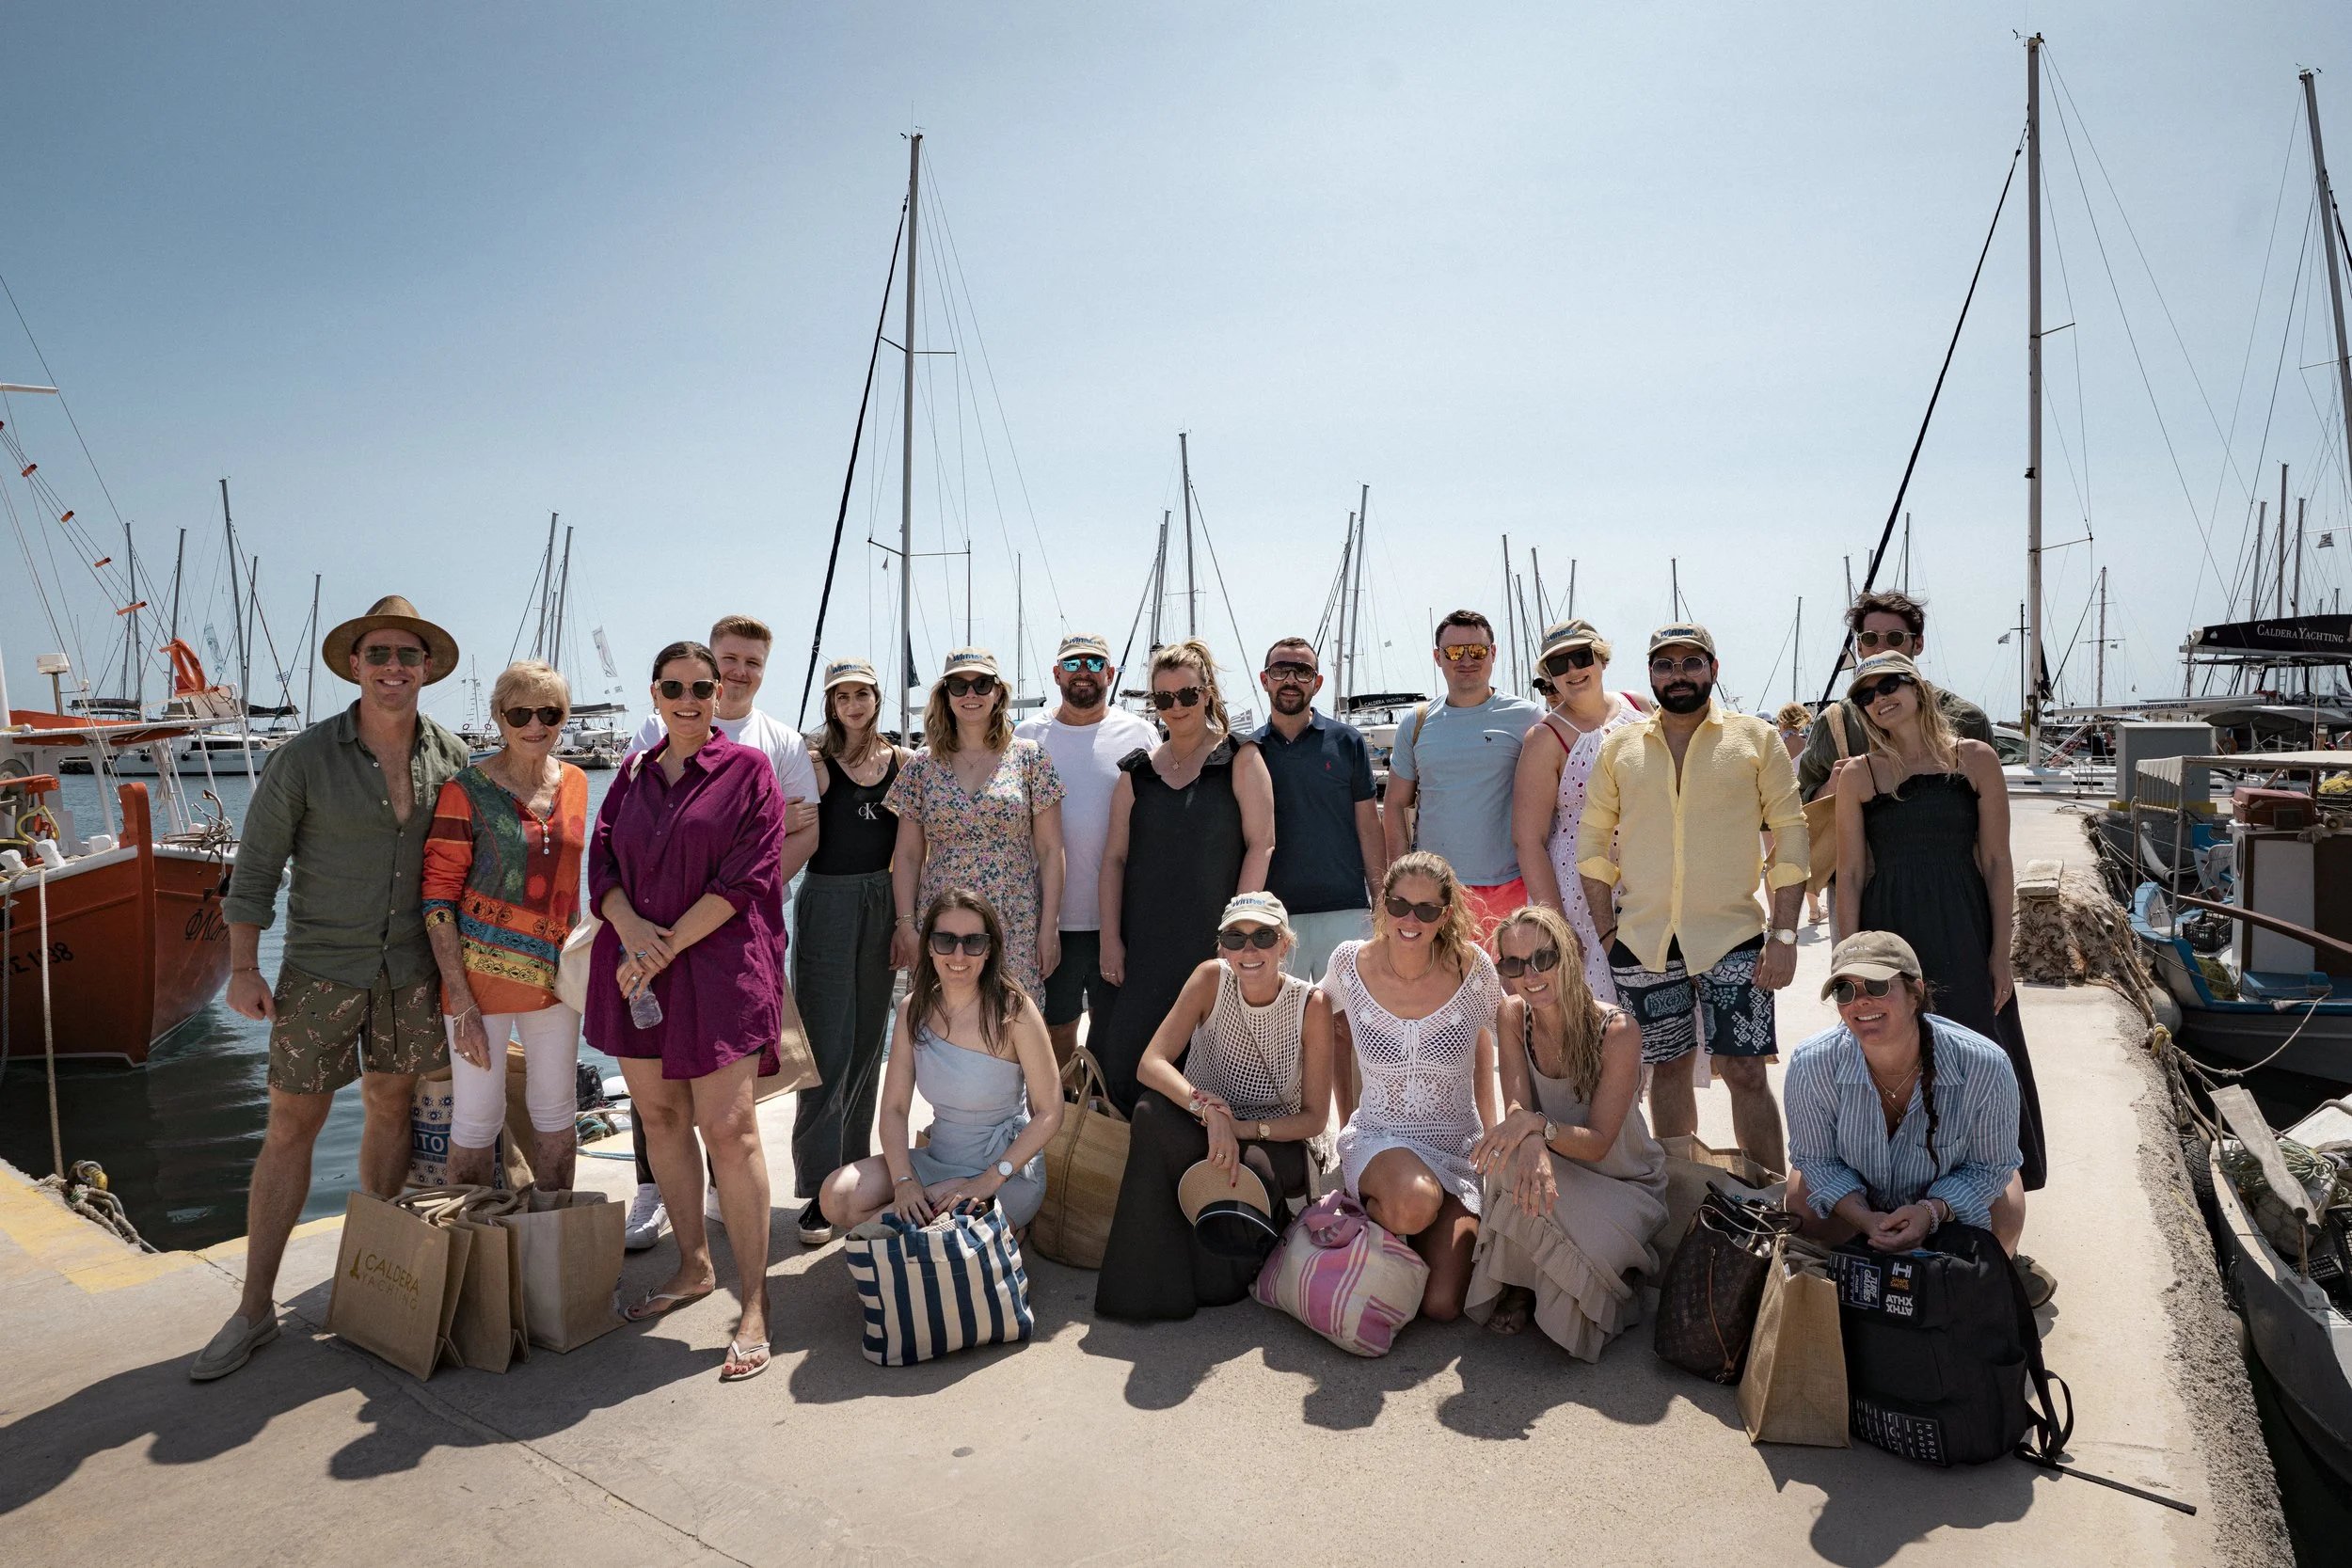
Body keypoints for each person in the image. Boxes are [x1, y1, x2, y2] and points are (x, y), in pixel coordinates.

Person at [197, 595, 471, 1382]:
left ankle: (373, 1283)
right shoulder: (305, 757)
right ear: (356, 664)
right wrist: (244, 967)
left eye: (407, 656)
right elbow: (255, 869)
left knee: (391, 1106)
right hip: (319, 969)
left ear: (426, 669)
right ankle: (254, 1307)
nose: (393, 668)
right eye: (379, 654)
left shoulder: (449, 756)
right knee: (291, 1125)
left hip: (410, 973)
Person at [591, 641, 787, 1383]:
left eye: (701, 686)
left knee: (729, 1132)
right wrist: (630, 929)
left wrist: (658, 945)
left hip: (716, 969)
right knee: (662, 1120)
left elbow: (748, 877)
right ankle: (693, 1265)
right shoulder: (634, 772)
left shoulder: (748, 771)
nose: (688, 697)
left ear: (716, 693)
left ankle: (756, 1302)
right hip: (641, 969)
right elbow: (602, 865)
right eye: (673, 686)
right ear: (654, 691)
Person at [1578, 623, 1806, 1174]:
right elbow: (1591, 843)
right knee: (1670, 1067)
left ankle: (1769, 1200)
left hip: (1735, 937)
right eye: (1664, 665)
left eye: (1690, 663)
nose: (1677, 675)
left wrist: (1783, 934)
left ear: (1713, 669)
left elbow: (1793, 837)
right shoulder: (1620, 746)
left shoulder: (1757, 740)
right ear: (1651, 674)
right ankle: (1684, 1199)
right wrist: (1608, 931)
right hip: (1643, 939)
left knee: (1747, 1070)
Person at [623, 613, 818, 1250]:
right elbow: (628, 830)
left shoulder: (778, 743)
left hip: (737, 934)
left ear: (764, 671)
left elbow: (803, 831)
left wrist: (752, 892)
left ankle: (716, 1181)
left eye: (751, 663)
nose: (737, 672)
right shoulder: (654, 730)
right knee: (652, 1068)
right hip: (657, 932)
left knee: (728, 1084)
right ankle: (651, 1187)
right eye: (727, 659)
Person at [1833, 652, 2046, 1195]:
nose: (1879, 698)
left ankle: (1993, 1190)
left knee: (1980, 1052)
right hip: (1890, 931)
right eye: (1865, 694)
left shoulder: (1975, 760)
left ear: (1918, 686)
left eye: (1889, 684)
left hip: (1963, 924)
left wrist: (2001, 954)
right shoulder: (1858, 776)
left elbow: (1998, 862)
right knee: (1893, 1056)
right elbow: (1851, 874)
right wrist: (1846, 963)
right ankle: (1902, 1186)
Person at [1095, 892, 1336, 1321]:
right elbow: (1151, 1064)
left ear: (1285, 944)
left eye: (1263, 936)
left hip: (1277, 1135)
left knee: (1253, 1170)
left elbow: (1314, 1118)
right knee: (1150, 1113)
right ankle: (1148, 1287)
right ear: (1222, 945)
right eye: (1235, 937)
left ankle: (1238, 1260)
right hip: (1206, 1120)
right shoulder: (1211, 977)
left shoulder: (1310, 1004)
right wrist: (1209, 1111)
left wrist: (1242, 1129)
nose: (1249, 950)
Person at [1785, 930, 2051, 1306]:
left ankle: (1987, 1267)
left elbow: (1992, 1165)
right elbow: (1816, 1159)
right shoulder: (1811, 1062)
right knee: (1800, 1201)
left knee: (2006, 1205)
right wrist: (1864, 1218)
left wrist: (1930, 1213)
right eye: (1844, 991)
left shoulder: (1985, 1063)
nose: (1860, 1002)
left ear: (1916, 993)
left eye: (1877, 986)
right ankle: (1866, 1269)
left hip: (1944, 1206)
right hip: (1859, 1204)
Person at [1464, 905, 1667, 1360]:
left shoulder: (1617, 1030)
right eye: (1513, 964)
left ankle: (1562, 1280)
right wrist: (1533, 1137)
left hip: (1620, 1181)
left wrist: (1537, 1127)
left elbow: (1597, 1144)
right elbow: (1518, 1106)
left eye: (1542, 958)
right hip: (1553, 1166)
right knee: (1507, 1157)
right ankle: (1526, 1283)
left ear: (1571, 955)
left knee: (1519, 1161)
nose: (1529, 974)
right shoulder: (1513, 1014)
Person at [420, 659, 590, 1191]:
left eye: (550, 712)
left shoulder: (579, 783)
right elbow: (437, 899)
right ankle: (471, 1250)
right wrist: (460, 999)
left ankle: (554, 1241)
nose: (535, 724)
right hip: (477, 987)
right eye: (520, 712)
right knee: (475, 1118)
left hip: (555, 982)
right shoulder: (463, 790)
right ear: (498, 716)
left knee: (558, 1110)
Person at [1321, 851, 1501, 1323]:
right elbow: (1325, 1029)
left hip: (1456, 1149)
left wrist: (1495, 1131)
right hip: (1382, 1138)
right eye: (1399, 905)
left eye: (1425, 909)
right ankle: (1385, 1216)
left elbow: (1493, 1039)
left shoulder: (1472, 968)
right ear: (1383, 905)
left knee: (1442, 1306)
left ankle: (1398, 1234)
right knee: (1415, 1201)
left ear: (1445, 915)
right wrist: (1339, 1125)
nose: (1410, 919)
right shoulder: (1350, 963)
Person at [817, 888, 1063, 1232]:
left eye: (973, 941)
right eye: (946, 940)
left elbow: (1050, 1112)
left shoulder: (1015, 1010)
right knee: (836, 1195)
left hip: (1004, 1171)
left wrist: (991, 1180)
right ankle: (976, 1231)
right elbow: (894, 1110)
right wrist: (903, 1181)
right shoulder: (912, 1010)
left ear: (989, 949)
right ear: (929, 946)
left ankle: (979, 1222)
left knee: (917, 1233)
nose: (958, 953)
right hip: (937, 1159)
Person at [1096, 639, 1275, 1112]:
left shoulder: (1240, 757)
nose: (1176, 707)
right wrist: (1110, 940)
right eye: (1164, 699)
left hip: (1212, 941)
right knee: (1127, 1063)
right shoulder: (1137, 773)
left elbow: (1262, 843)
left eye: (1187, 695)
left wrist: (1240, 931)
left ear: (1208, 693)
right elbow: (1113, 859)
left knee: (1209, 1068)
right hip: (1144, 946)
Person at [786, 657, 908, 1247]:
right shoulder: (815, 763)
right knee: (824, 1045)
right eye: (843, 696)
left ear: (876, 698)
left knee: (867, 1043)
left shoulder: (902, 763)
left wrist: (908, 921)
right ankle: (815, 1187)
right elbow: (786, 826)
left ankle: (853, 1175)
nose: (853, 705)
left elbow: (914, 846)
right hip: (829, 901)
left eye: (863, 694)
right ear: (831, 704)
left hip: (883, 900)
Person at [886, 647, 1067, 996]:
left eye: (982, 684)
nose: (971, 694)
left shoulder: (1030, 758)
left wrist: (1049, 928)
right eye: (959, 686)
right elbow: (907, 855)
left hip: (1013, 917)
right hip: (941, 922)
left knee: (1011, 1025)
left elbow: (1050, 850)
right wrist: (907, 926)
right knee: (941, 1022)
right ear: (945, 695)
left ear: (998, 693)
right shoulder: (922, 766)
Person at [1014, 633, 1157, 1063]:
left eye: (1095, 664)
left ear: (1111, 675)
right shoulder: (1026, 735)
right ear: (1056, 672)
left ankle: (1101, 1123)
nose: (1083, 672)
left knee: (1113, 1032)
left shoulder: (1141, 733)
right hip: (1048, 920)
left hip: (1119, 917)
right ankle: (1059, 1123)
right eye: (1073, 663)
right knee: (1054, 1030)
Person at [1384, 610, 1543, 938]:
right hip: (1435, 894)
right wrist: (1398, 887)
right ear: (1437, 657)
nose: (1466, 659)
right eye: (1454, 652)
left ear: (1494, 653)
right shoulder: (1416, 724)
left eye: (1478, 650)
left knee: (1510, 988)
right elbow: (1396, 805)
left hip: (1512, 885)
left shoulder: (1527, 717)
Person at [1511, 618, 1643, 1003]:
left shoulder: (1639, 707)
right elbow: (1528, 840)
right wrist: (1558, 927)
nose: (1572, 670)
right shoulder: (1545, 738)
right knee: (1601, 1004)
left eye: (1581, 657)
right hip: (1579, 892)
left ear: (1601, 658)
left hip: (1648, 876)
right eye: (1558, 664)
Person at [1253, 636, 1385, 981]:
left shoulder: (1348, 741)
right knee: (1282, 1029)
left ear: (1317, 682)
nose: (1291, 680)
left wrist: (1382, 902)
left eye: (1303, 671)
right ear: (1265, 679)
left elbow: (1369, 827)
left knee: (1349, 1027)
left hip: (1347, 910)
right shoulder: (1248, 750)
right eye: (1281, 670)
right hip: (1273, 914)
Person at [1795, 590, 1994, 802]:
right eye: (1870, 638)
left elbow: (1990, 806)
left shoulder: (1967, 719)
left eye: (1895, 637)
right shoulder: (1837, 723)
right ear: (1860, 647)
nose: (1881, 648)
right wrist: (1831, 787)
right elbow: (1797, 806)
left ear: (1918, 644)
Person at [1773, 703, 1825, 926]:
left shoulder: (1774, 743)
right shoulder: (1808, 745)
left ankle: (1773, 917)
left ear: (1782, 720)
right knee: (1806, 860)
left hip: (1773, 806)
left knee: (1773, 863)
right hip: (1800, 807)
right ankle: (1814, 911)